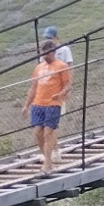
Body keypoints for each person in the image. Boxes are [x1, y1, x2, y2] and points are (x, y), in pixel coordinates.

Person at [24, 38, 71, 173]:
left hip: (53, 103)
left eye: (47, 53)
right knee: (37, 132)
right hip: (38, 103)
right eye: (42, 53)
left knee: (48, 132)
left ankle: (47, 164)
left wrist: (60, 95)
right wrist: (26, 105)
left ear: (53, 52)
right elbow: (33, 87)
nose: (44, 56)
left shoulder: (61, 66)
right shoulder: (39, 67)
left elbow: (68, 84)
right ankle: (47, 159)